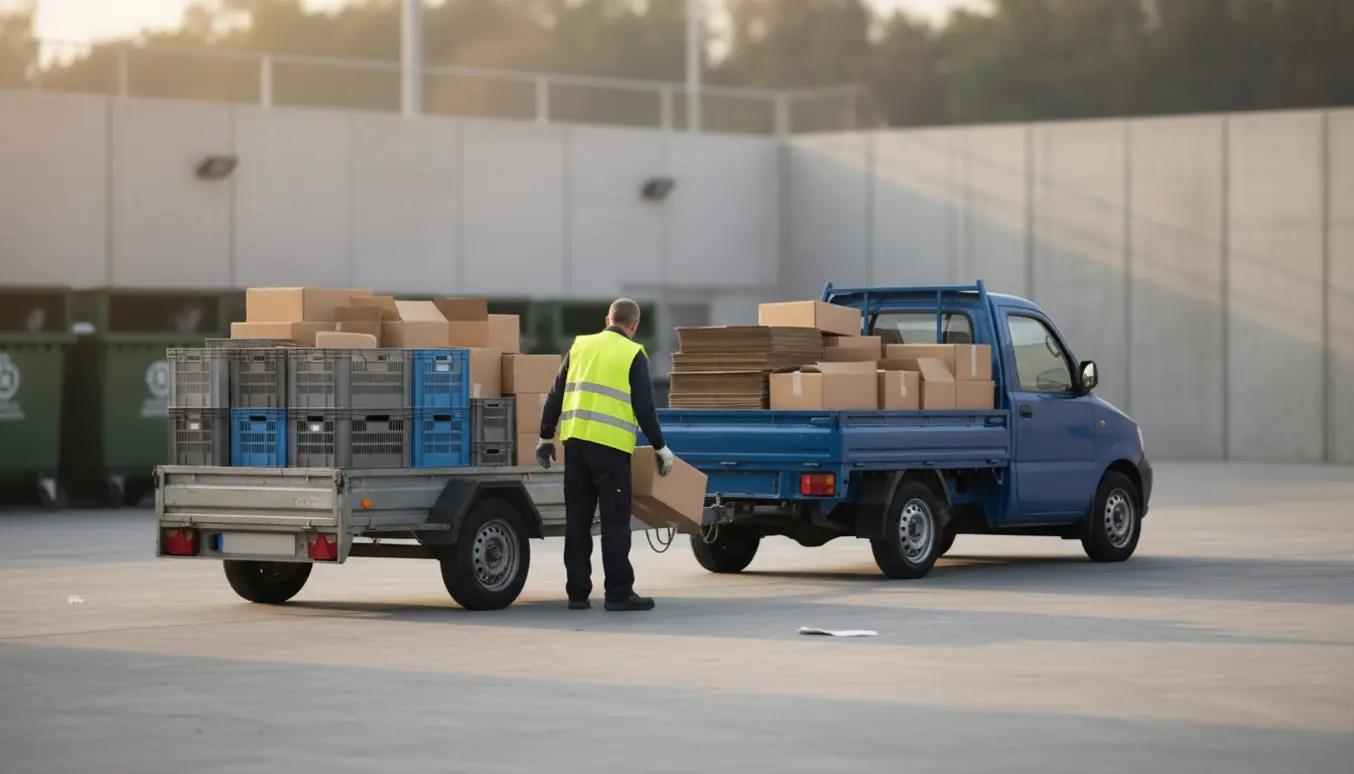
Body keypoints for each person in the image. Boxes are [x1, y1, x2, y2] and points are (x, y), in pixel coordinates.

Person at [536, 298, 673, 612]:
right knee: (615, 522)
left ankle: (577, 594)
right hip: (611, 450)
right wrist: (661, 448)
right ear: (634, 325)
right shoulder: (633, 354)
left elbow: (555, 394)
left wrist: (545, 438)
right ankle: (618, 593)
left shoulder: (579, 346)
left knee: (577, 521)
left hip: (575, 445)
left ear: (607, 320)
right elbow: (644, 408)